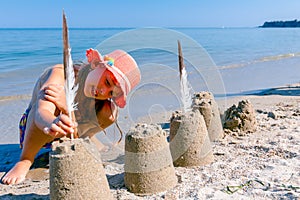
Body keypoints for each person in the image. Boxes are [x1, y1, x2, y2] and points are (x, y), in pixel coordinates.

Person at [1, 48, 141, 185]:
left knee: (110, 113)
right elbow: (40, 111)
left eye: (111, 93)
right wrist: (51, 123)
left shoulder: (99, 100)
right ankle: (25, 159)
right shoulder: (60, 74)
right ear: (96, 65)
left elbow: (76, 119)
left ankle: (87, 137)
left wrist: (68, 110)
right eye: (107, 82)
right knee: (50, 102)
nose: (103, 91)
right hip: (39, 127)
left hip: (71, 128)